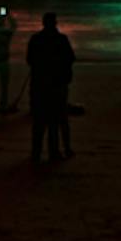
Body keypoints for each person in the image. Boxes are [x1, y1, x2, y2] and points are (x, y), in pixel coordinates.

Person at [26, 12, 75, 162]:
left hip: (39, 85)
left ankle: (36, 153)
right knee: (55, 122)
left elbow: (30, 59)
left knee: (39, 123)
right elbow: (70, 58)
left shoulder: (36, 39)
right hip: (56, 85)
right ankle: (54, 152)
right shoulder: (61, 40)